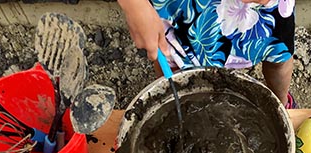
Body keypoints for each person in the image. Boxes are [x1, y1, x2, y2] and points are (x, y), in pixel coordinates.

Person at [117, 0, 297, 108]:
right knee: (173, 54)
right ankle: (178, 105)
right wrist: (135, 6)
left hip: (256, 9)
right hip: (182, 5)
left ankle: (280, 106)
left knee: (276, 50)